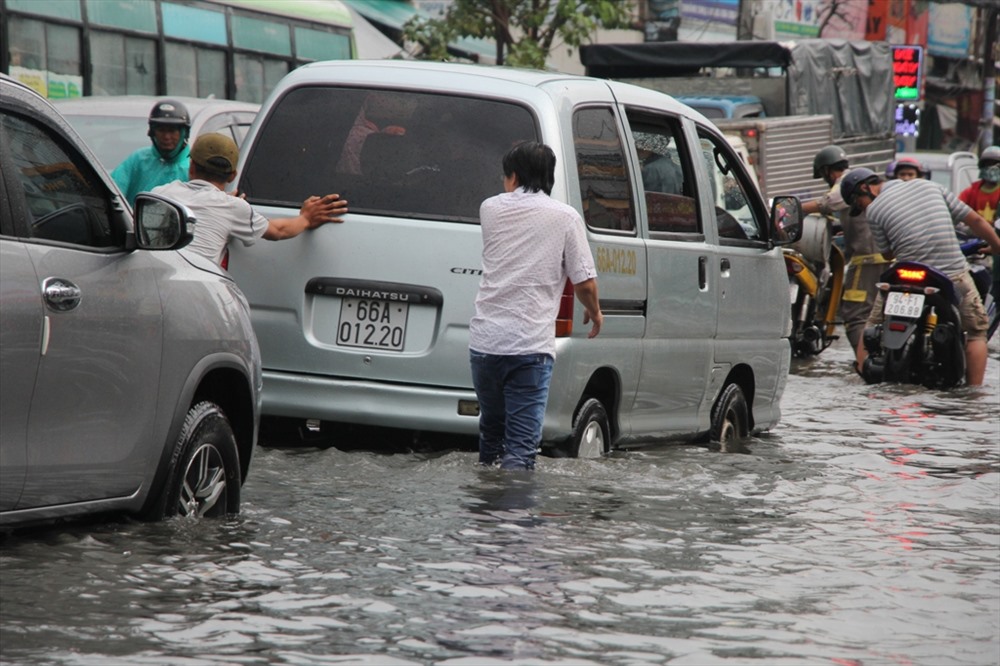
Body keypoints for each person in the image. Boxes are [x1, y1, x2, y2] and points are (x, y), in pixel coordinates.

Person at [469, 141, 603, 471]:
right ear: (549, 177)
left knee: (492, 437)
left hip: (484, 345)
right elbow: (584, 282)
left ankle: (486, 516)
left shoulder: (490, 208)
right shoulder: (565, 217)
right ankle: (514, 520)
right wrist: (595, 312)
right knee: (520, 448)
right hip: (528, 347)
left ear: (512, 176)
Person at [840, 168, 1000, 385]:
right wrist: (997, 246)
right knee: (975, 331)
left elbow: (887, 253)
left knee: (872, 323)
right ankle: (974, 396)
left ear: (865, 188)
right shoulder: (931, 187)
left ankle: (862, 379)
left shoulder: (874, 211)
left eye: (859, 203)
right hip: (951, 272)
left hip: (903, 275)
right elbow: (977, 222)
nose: (862, 207)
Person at [152, 133, 348, 266]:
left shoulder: (160, 193)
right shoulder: (234, 207)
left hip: (155, 284)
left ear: (192, 167)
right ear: (232, 176)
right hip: (199, 293)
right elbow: (279, 231)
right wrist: (306, 217)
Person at [802, 144, 891, 352]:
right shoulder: (869, 183)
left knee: (856, 317)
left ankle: (865, 362)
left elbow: (828, 202)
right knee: (881, 314)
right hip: (890, 260)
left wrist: (795, 207)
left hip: (866, 263)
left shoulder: (847, 183)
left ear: (827, 171)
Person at [112, 99, 192, 207]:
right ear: (152, 132)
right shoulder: (138, 160)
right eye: (161, 130)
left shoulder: (193, 167)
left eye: (172, 131)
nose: (166, 137)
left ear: (184, 133)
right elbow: (112, 192)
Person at [959, 146, 1000, 295]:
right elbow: (956, 211)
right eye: (988, 164)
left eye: (996, 165)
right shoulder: (972, 191)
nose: (992, 168)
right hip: (972, 245)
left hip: (993, 247)